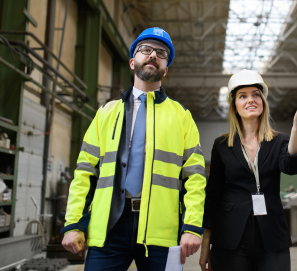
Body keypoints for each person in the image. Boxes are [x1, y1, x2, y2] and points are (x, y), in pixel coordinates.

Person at [61, 27, 206, 270]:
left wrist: (191, 226)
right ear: (132, 61)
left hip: (161, 231)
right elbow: (84, 172)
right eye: (146, 49)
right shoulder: (106, 113)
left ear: (166, 68)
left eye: (161, 53)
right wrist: (73, 223)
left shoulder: (181, 116)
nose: (153, 55)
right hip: (109, 226)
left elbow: (195, 178)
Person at [199, 69, 297, 271]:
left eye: (256, 94)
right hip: (230, 236)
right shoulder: (222, 144)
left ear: (263, 102)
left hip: (272, 235)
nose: (251, 100)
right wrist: (205, 245)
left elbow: (290, 166)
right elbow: (213, 195)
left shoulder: (279, 140)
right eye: (243, 96)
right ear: (234, 106)